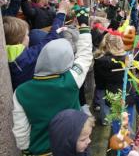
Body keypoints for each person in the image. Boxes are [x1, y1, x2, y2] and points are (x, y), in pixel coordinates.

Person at [12, 12, 92, 155]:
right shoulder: (71, 80)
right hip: (71, 147)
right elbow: (85, 56)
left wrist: (25, 149)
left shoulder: (21, 91)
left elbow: (21, 129)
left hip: (41, 151)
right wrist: (84, 27)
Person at [4, 0, 70, 89]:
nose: (29, 37)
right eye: (27, 35)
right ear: (19, 41)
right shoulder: (25, 58)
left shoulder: (6, 57)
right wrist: (62, 12)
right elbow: (53, 36)